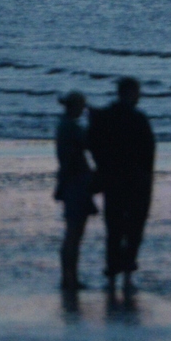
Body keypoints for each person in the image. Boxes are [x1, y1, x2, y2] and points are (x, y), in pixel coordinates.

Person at [87, 76, 155, 296]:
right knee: (134, 227)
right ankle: (126, 270)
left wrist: (103, 166)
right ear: (129, 93)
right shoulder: (138, 118)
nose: (139, 96)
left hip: (113, 179)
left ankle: (112, 271)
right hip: (136, 180)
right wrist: (146, 177)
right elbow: (149, 152)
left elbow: (91, 143)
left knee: (114, 227)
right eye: (137, 92)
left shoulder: (104, 116)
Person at [53, 91, 97, 292]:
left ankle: (69, 277)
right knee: (74, 234)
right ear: (74, 106)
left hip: (71, 182)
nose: (84, 109)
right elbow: (89, 142)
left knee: (73, 233)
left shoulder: (65, 125)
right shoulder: (71, 127)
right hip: (76, 183)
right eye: (82, 105)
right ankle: (69, 278)